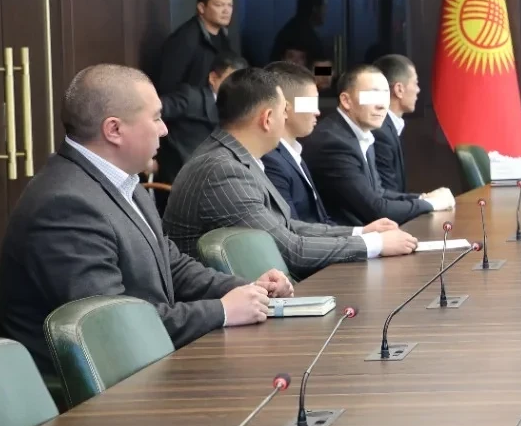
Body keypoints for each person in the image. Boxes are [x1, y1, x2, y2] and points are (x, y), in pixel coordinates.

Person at [0, 65, 291, 376]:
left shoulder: (124, 182)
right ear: (114, 130)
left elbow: (170, 265)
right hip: (104, 384)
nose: (164, 129)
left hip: (149, 356)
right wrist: (221, 311)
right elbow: (113, 324)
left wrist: (250, 289)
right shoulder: (64, 205)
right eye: (156, 118)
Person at [163, 67, 419, 279]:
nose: (286, 119)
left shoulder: (236, 157)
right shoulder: (222, 169)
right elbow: (290, 250)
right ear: (267, 118)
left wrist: (361, 233)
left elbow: (286, 226)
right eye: (284, 112)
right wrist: (376, 245)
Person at [303, 63, 454, 225]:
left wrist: (423, 197)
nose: (382, 105)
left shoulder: (362, 132)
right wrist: (432, 204)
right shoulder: (333, 143)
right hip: (343, 236)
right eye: (372, 96)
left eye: (385, 96)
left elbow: (378, 192)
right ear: (346, 101)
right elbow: (376, 210)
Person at [262, 61, 336, 223]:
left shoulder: (294, 152)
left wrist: (363, 233)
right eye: (311, 103)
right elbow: (292, 230)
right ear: (285, 108)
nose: (317, 112)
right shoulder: (271, 161)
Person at [157, 52, 245, 183]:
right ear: (213, 78)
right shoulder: (191, 98)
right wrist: (150, 159)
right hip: (180, 178)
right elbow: (151, 112)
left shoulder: (239, 112)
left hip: (218, 177)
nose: (236, 90)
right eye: (231, 82)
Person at [155, 0, 235, 95]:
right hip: (193, 105)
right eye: (219, 5)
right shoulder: (184, 38)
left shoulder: (224, 36)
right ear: (201, 8)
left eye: (230, 5)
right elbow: (168, 86)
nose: (226, 11)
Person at [373, 54, 419, 193]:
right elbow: (388, 192)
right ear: (399, 89)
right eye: (415, 83)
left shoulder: (389, 126)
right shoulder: (380, 132)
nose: (418, 90)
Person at [269, 0, 328, 66]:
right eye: (324, 7)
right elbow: (321, 70)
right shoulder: (308, 37)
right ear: (315, 9)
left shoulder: (288, 30)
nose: (325, 12)